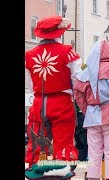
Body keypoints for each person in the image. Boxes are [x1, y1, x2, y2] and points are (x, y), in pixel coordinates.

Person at [25, 15, 81, 179]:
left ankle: (36, 172)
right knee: (63, 142)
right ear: (59, 32)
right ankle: (59, 173)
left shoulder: (29, 55)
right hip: (62, 102)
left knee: (38, 142)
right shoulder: (67, 52)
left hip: (39, 102)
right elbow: (77, 81)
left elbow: (30, 85)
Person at [74, 40, 109, 179]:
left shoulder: (86, 72)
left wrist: (87, 111)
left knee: (94, 154)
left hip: (92, 116)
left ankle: (93, 177)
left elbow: (78, 94)